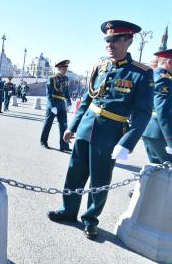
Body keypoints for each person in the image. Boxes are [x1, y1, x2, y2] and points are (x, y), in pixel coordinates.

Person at [47, 20, 154, 240]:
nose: (110, 44)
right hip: (86, 127)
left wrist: (126, 142)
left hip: (111, 134)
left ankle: (90, 219)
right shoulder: (100, 67)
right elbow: (86, 101)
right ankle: (68, 211)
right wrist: (72, 126)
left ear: (129, 40)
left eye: (115, 39)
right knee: (74, 173)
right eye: (107, 39)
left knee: (100, 179)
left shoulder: (141, 74)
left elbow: (143, 114)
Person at [142, 49, 172, 164]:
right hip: (161, 133)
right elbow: (163, 111)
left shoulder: (151, 75)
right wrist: (170, 141)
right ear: (169, 63)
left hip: (149, 130)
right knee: (167, 173)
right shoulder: (164, 79)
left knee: (155, 172)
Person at [40, 60, 72, 151]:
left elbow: (66, 92)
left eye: (66, 68)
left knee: (64, 125)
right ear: (59, 68)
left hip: (61, 104)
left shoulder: (65, 79)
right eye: (63, 68)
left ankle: (64, 146)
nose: (65, 70)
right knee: (48, 124)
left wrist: (69, 103)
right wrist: (51, 106)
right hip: (53, 104)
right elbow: (49, 94)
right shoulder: (52, 78)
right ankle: (43, 142)